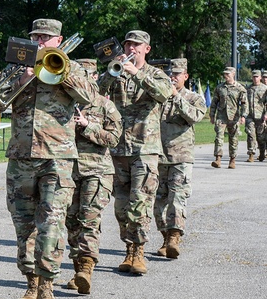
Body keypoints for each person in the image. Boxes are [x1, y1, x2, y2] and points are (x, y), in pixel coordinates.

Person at [0, 18, 97, 299]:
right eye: (35, 36)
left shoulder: (72, 68)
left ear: (58, 41)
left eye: (45, 38)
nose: (39, 42)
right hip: (21, 158)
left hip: (57, 158)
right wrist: (20, 81)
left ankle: (48, 287)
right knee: (24, 226)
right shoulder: (15, 67)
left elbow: (91, 98)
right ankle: (31, 284)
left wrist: (59, 73)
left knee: (51, 224)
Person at [97, 30, 173, 276]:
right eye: (128, 43)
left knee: (140, 202)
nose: (131, 48)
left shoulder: (156, 74)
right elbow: (95, 92)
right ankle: (128, 248)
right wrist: (111, 70)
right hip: (118, 147)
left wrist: (136, 74)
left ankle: (138, 251)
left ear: (146, 49)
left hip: (145, 148)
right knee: (121, 206)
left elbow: (163, 94)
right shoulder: (117, 69)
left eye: (136, 45)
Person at [62, 59, 121, 294]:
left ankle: (86, 268)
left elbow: (114, 139)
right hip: (68, 171)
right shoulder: (64, 103)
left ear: (95, 78)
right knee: (71, 223)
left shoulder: (106, 106)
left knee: (89, 221)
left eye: (88, 76)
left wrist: (87, 126)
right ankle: (78, 268)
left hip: (97, 172)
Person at [155, 58, 207, 260]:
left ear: (185, 76)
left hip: (181, 157)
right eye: (170, 73)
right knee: (158, 203)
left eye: (176, 74)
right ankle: (165, 237)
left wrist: (176, 96)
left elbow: (194, 116)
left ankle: (174, 238)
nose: (172, 77)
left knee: (177, 199)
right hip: (159, 156)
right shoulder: (159, 98)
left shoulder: (194, 98)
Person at [208, 66, 247, 169]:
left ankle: (232, 160)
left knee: (233, 139)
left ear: (233, 74)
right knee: (219, 137)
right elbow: (214, 102)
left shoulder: (240, 88)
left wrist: (243, 116)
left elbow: (244, 104)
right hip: (221, 116)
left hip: (234, 117)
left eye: (228, 74)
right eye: (224, 74)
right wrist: (212, 115)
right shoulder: (220, 87)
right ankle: (218, 159)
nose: (226, 76)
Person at [246, 70, 267, 162]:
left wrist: (266, 114)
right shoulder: (248, 88)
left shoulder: (265, 88)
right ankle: (251, 154)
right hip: (250, 115)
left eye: (257, 76)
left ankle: (262, 152)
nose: (255, 78)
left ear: (260, 78)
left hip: (260, 116)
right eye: (253, 76)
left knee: (261, 136)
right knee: (250, 134)